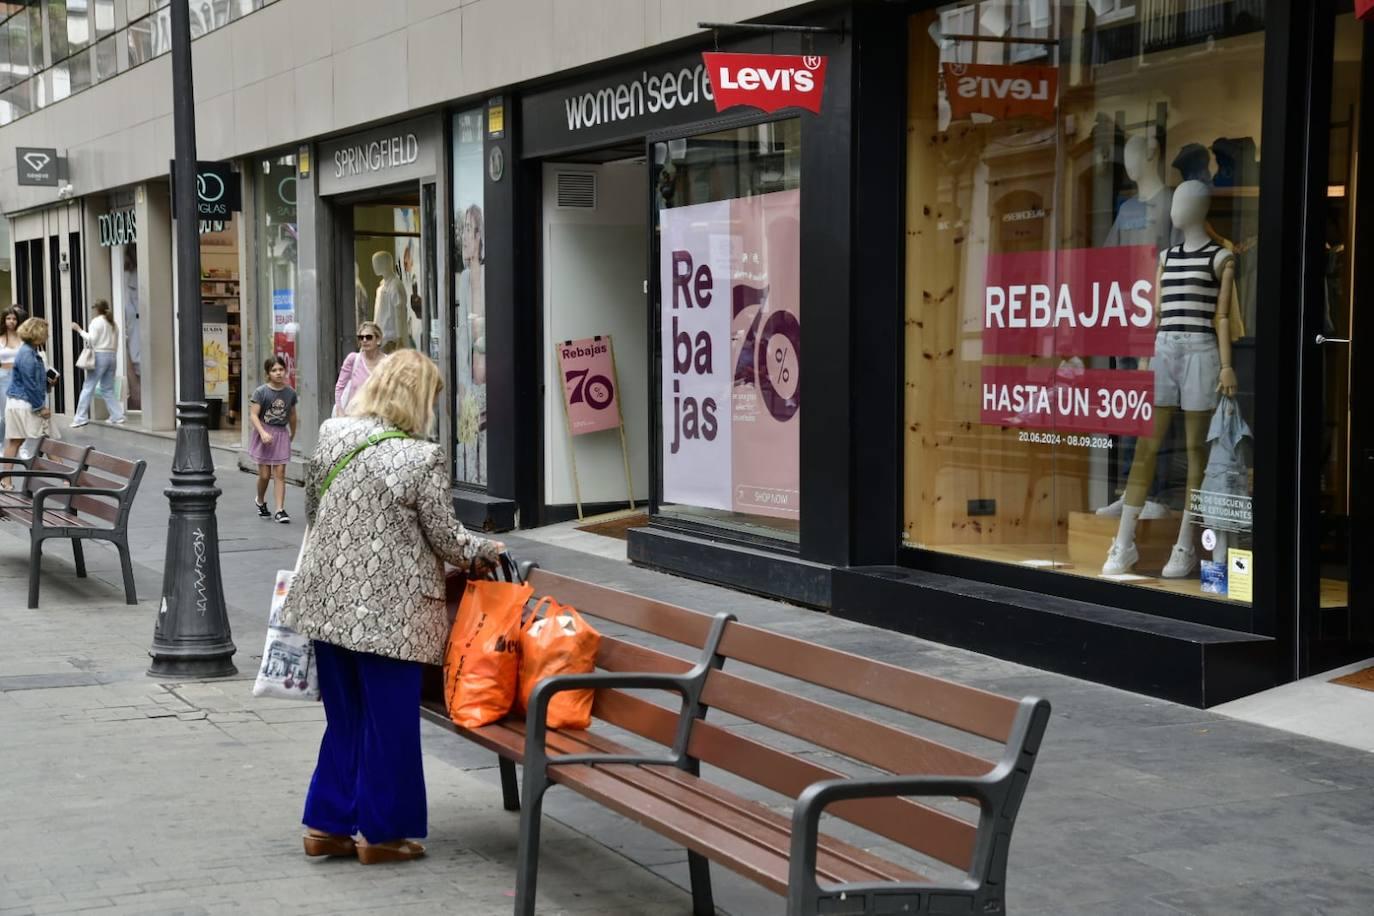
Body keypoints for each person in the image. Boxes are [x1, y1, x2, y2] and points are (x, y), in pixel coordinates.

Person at [279, 350, 503, 865]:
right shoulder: (422, 458)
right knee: (390, 724)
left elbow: (314, 510)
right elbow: (446, 539)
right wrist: (487, 551)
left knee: (345, 719)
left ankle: (326, 824)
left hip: (327, 602)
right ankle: (381, 834)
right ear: (419, 398)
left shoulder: (333, 434)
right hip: (392, 616)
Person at [3, 318, 54, 481]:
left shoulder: (28, 351)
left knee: (15, 442)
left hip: (18, 402)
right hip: (25, 404)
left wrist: (47, 382)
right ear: (38, 333)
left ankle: (5, 480)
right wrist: (40, 407)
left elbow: (32, 381)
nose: (48, 336)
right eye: (46, 332)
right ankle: (69, 480)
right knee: (47, 439)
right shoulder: (28, 354)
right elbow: (30, 384)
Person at [249, 356, 298, 523]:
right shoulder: (261, 392)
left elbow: (292, 415)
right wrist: (262, 433)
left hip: (281, 434)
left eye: (281, 369)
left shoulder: (290, 393)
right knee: (264, 475)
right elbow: (253, 415)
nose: (278, 373)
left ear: (285, 371)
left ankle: (279, 510)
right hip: (264, 433)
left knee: (280, 473)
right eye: (274, 370)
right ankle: (260, 500)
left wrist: (292, 433)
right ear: (268, 373)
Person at [69, 300, 126, 428]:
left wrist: (79, 330)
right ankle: (117, 416)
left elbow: (91, 339)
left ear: (97, 309)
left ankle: (80, 418)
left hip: (100, 356)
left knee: (88, 387)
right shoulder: (113, 324)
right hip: (112, 356)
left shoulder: (96, 322)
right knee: (108, 388)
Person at [333, 321, 384, 417]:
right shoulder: (353, 359)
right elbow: (340, 387)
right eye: (361, 337)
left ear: (378, 339)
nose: (364, 340)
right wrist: (339, 410)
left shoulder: (388, 362)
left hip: (379, 417)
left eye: (369, 337)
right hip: (354, 416)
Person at [0, 306, 27, 445]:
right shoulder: (0, 339)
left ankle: (22, 447)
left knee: (22, 413)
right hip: (3, 377)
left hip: (20, 378)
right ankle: (1, 445)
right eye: (8, 318)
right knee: (4, 415)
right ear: (4, 320)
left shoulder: (23, 338)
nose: (11, 321)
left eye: (14, 319)